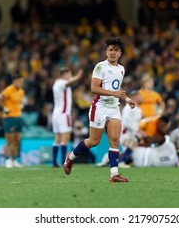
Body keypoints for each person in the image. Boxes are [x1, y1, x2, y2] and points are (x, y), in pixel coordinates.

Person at [63, 37, 136, 182]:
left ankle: (114, 174)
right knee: (93, 141)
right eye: (110, 50)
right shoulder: (100, 67)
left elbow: (117, 88)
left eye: (116, 50)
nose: (113, 53)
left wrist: (127, 100)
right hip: (100, 107)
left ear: (120, 53)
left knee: (115, 140)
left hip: (114, 107)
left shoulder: (121, 69)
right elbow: (94, 88)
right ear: (106, 52)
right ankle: (70, 157)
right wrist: (114, 94)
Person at [51, 67, 83, 167]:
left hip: (56, 114)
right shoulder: (61, 83)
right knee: (65, 138)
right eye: (69, 74)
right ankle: (63, 161)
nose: (70, 77)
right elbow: (68, 83)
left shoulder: (56, 83)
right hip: (63, 114)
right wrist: (77, 77)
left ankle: (54, 162)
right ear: (65, 74)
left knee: (57, 139)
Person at [0, 74, 26, 168]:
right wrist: (5, 108)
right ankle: (7, 159)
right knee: (10, 140)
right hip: (9, 117)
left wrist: (21, 106)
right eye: (19, 81)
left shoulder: (21, 91)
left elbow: (19, 102)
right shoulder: (9, 89)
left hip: (18, 117)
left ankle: (14, 160)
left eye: (22, 81)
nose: (21, 83)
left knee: (17, 140)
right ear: (14, 81)